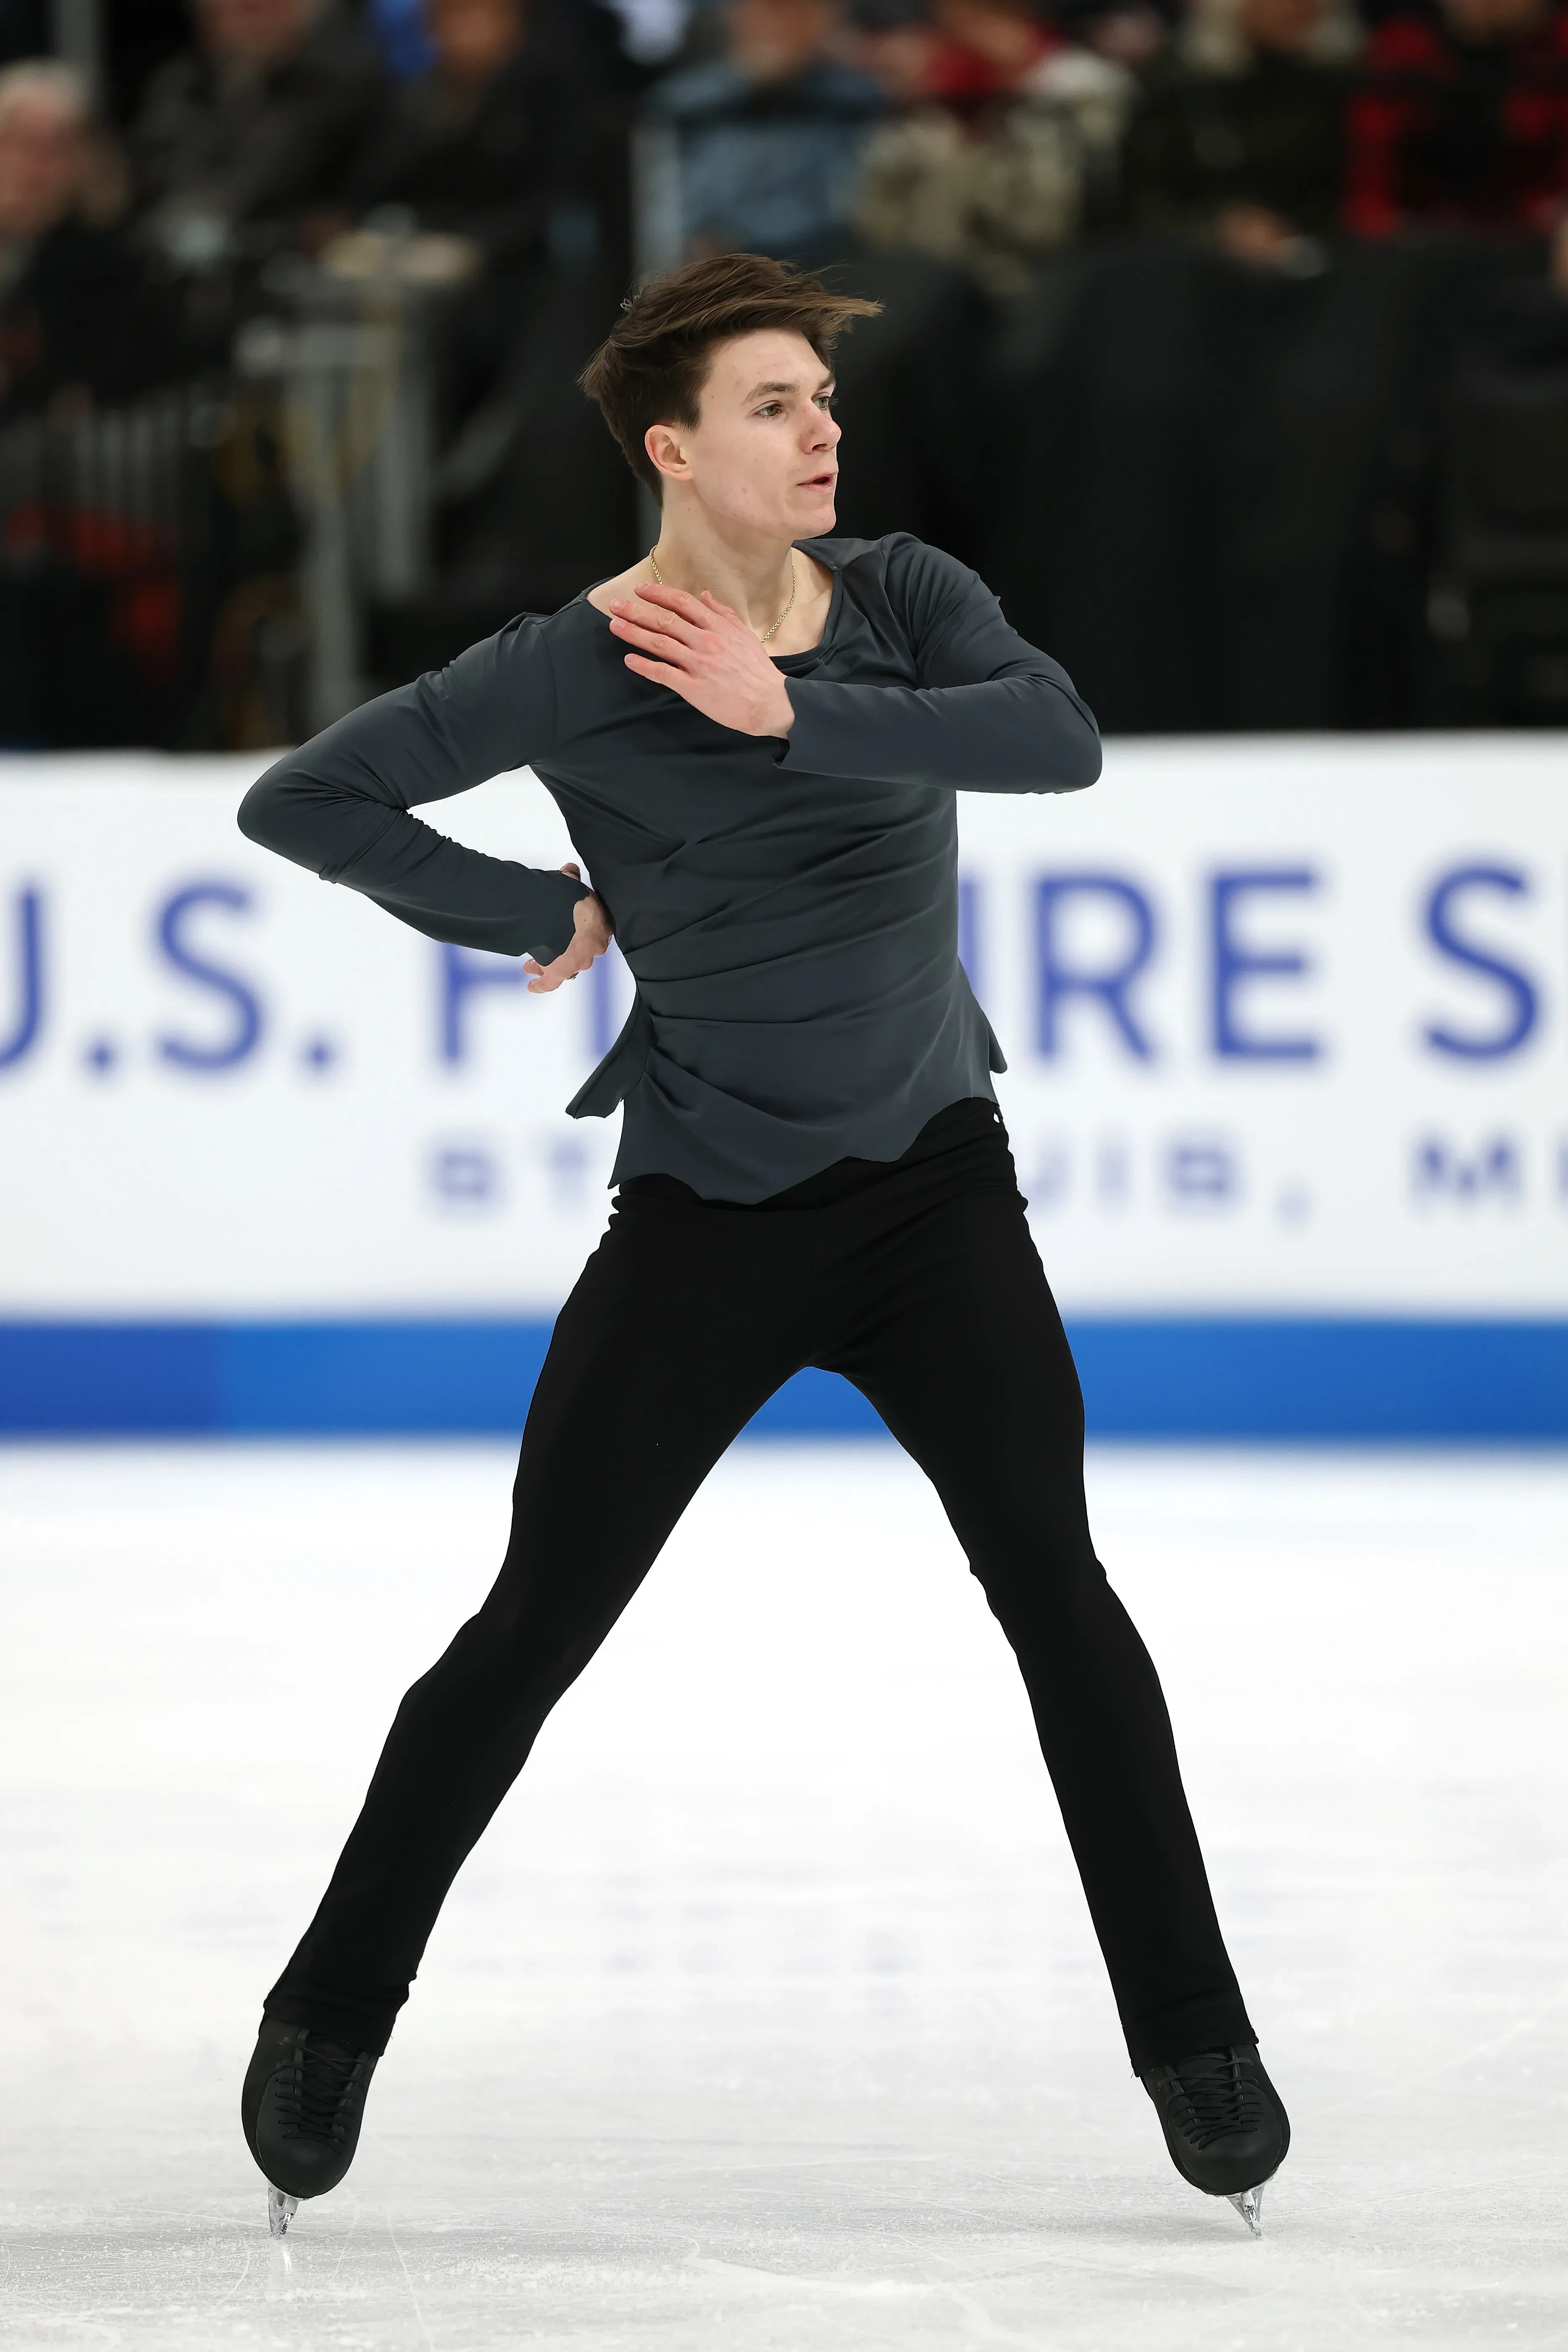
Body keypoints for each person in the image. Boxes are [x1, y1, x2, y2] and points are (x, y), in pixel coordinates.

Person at [234, 248, 1291, 2241]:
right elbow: (312, 796)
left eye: (822, 397)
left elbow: (1054, 738)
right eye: (775, 404)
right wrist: (522, 907)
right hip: (704, 1218)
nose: (822, 431)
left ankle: (1198, 2039)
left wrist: (789, 705)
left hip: (934, 1199)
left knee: (1062, 1601)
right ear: (673, 448)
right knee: (532, 1627)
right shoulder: (572, 660)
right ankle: (324, 2015)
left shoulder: (899, 598)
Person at [131, 0, 386, 273]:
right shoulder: (177, 87)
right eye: (248, 11)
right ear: (209, 23)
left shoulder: (341, 89)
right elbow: (155, 177)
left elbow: (349, 191)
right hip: (179, 254)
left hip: (292, 261)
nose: (262, 26)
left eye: (275, 9)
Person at [1123, 0, 1360, 267]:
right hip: (1190, 259)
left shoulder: (1331, 86)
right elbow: (1145, 199)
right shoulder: (1180, 85)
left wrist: (1289, 232)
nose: (1295, 7)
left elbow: (1334, 190)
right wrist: (1215, 229)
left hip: (1306, 256)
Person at [645, 0, 886, 258]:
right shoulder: (685, 104)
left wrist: (741, 243)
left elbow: (844, 208)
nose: (780, 25)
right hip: (702, 269)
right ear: (734, 16)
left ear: (826, 19)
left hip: (815, 269)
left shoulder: (855, 104)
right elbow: (659, 207)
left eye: (797, 10)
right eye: (769, 9)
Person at [1343, 0, 1568, 259]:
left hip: (1536, 245)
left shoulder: (1558, 50)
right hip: (1416, 248)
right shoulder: (1402, 49)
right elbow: (1369, 188)